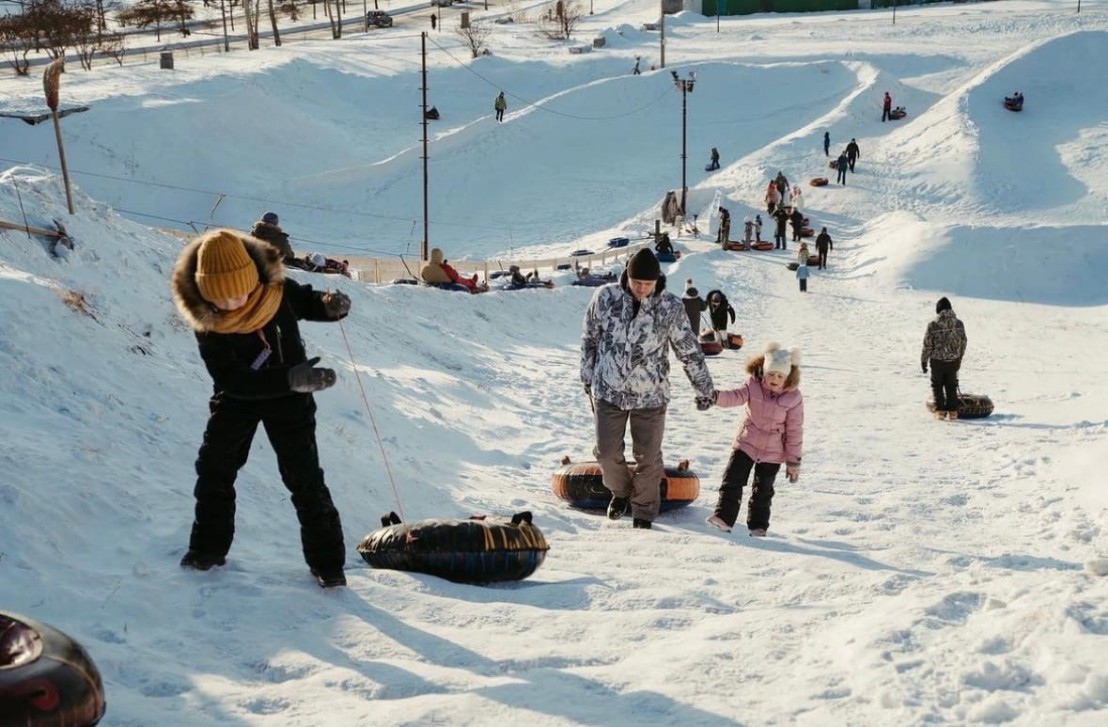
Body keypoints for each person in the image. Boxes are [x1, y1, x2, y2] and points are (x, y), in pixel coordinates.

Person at [170, 229, 349, 588]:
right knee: (214, 470)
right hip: (238, 399)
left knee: (305, 478)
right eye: (222, 298)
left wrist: (330, 305)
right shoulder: (207, 321)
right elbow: (233, 379)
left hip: (290, 401)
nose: (233, 303)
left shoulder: (277, 291)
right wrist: (291, 378)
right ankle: (207, 550)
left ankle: (328, 565)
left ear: (252, 279)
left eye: (239, 292)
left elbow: (309, 301)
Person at [580, 248, 716, 530]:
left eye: (648, 284)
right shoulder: (605, 298)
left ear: (657, 281)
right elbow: (590, 339)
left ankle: (643, 514)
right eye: (636, 283)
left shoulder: (670, 307)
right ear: (626, 277)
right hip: (609, 391)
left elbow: (689, 352)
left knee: (648, 457)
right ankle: (620, 492)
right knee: (606, 453)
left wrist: (704, 389)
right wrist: (587, 376)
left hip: (651, 395)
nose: (642, 289)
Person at [706, 343, 804, 537]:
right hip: (747, 444)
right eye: (771, 374)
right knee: (732, 480)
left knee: (763, 491)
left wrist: (793, 462)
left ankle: (758, 527)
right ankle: (723, 518)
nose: (774, 379)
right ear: (763, 371)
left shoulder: (793, 398)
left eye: (780, 376)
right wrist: (713, 397)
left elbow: (795, 431)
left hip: (773, 453)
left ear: (787, 377)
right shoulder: (753, 384)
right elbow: (734, 396)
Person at [921, 296, 968, 421]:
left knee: (937, 385)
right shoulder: (959, 324)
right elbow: (963, 342)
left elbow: (928, 345)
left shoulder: (933, 325)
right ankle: (953, 413)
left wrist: (924, 360)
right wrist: (959, 357)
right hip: (954, 361)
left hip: (937, 362)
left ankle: (940, 411)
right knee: (951, 385)